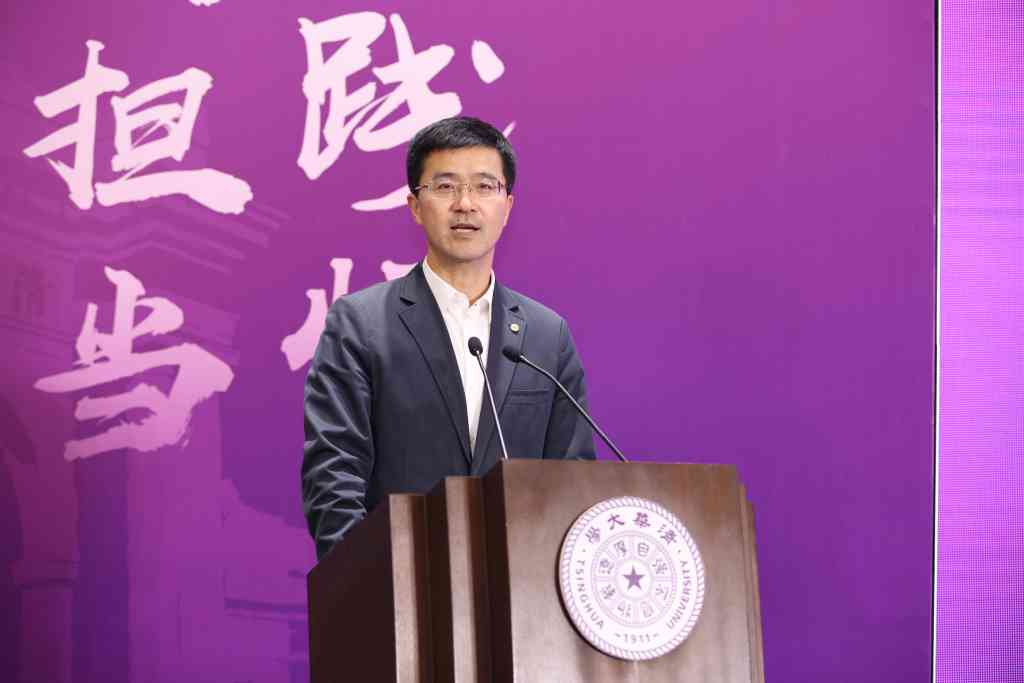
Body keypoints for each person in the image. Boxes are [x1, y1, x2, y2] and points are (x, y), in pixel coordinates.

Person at [301, 116, 596, 559]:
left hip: (523, 587)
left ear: (507, 206)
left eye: (484, 186)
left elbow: (572, 481)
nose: (465, 204)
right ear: (415, 206)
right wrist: (365, 579)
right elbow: (333, 473)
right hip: (400, 583)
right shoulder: (361, 323)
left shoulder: (546, 335)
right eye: (445, 187)